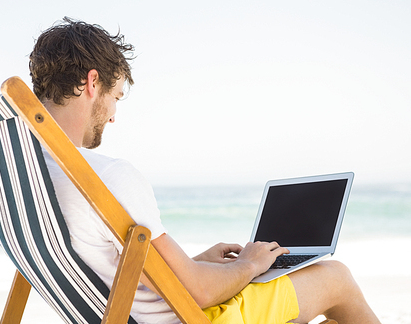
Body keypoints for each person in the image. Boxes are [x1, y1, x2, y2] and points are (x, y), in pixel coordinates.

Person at [29, 17, 380, 324]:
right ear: (93, 83)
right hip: (196, 317)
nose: (113, 115)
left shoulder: (30, 176)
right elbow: (196, 294)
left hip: (136, 311)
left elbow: (116, 269)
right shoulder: (107, 177)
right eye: (116, 96)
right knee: (336, 277)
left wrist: (198, 263)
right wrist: (248, 265)